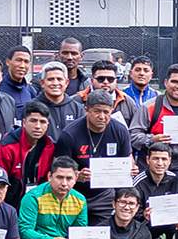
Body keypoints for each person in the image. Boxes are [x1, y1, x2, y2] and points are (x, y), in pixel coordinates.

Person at [55, 89, 134, 219]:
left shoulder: (120, 130)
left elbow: (127, 158)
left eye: (106, 112)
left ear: (112, 111)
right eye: (97, 111)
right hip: (75, 193)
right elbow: (58, 169)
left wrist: (129, 168)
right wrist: (76, 176)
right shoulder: (70, 134)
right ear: (87, 110)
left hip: (105, 195)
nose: (102, 116)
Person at [0, 101, 58, 204]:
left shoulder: (50, 146)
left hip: (39, 202)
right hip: (10, 202)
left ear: (48, 124)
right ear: (24, 122)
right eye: (33, 121)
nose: (38, 126)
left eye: (42, 122)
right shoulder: (7, 146)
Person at [32, 62, 84, 137]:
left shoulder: (78, 109)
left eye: (59, 79)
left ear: (66, 83)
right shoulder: (31, 107)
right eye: (50, 79)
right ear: (42, 83)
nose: (55, 83)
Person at [122, 54, 161, 122]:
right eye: (138, 70)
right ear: (131, 73)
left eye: (146, 70)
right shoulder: (121, 95)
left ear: (151, 75)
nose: (142, 73)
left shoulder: (158, 97)